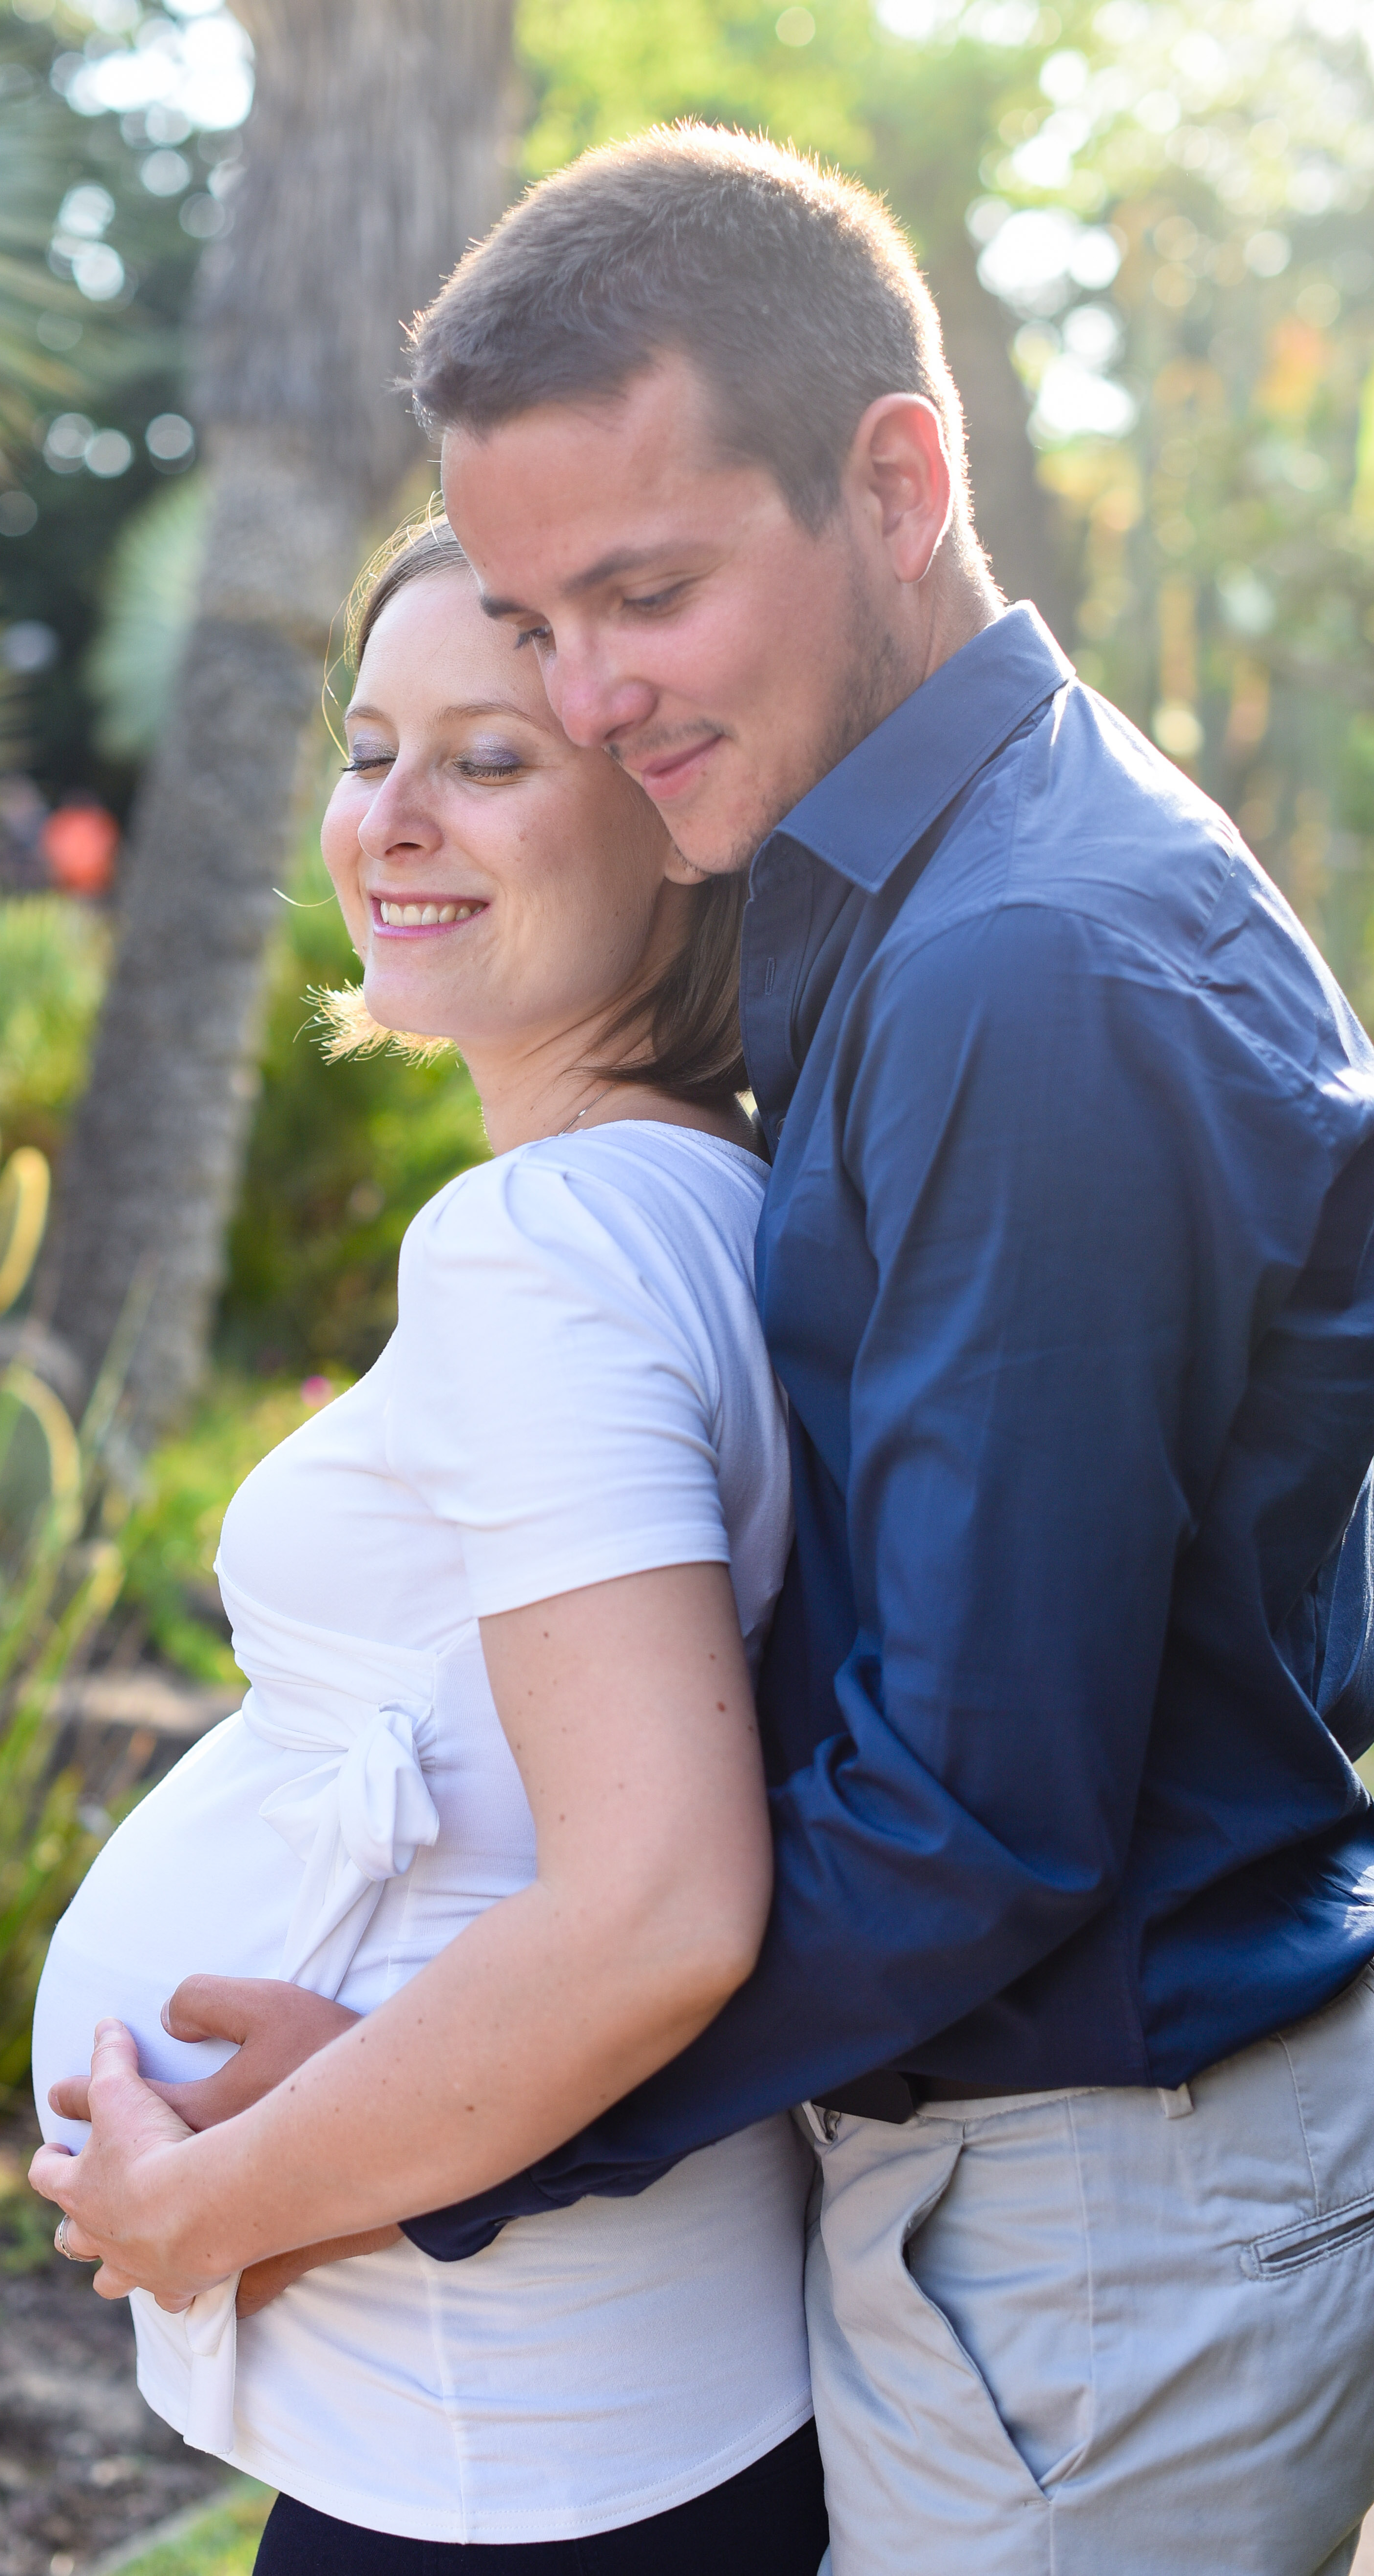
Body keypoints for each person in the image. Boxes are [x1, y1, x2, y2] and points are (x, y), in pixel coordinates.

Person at [386, 122, 1374, 2576]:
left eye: (646, 593)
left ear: (898, 480)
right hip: (1068, 2196)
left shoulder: (1022, 963)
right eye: (539, 623)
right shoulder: (898, 876)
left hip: (1095, 2226)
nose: (591, 698)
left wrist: (462, 2109)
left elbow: (979, 1808)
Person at [29, 517, 829, 2570]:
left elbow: (659, 1901)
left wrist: (213, 2197)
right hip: (588, 2393)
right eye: (370, 743)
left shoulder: (546, 1241)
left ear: (672, 817)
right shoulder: (711, 1200)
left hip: (515, 2446)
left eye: (486, 757)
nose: (388, 812)